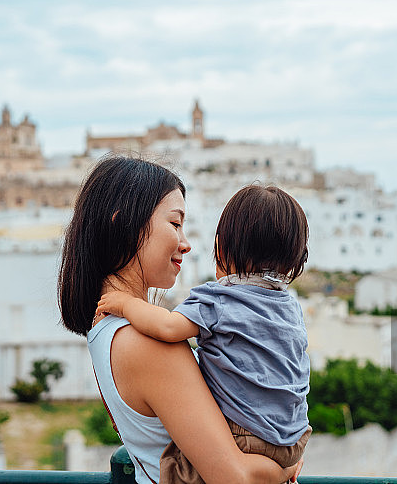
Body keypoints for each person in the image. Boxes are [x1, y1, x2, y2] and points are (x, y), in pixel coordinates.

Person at [58, 156, 302, 484]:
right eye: (175, 223)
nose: (186, 244)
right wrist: (285, 465)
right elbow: (238, 480)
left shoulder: (106, 331)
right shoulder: (147, 343)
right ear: (123, 225)